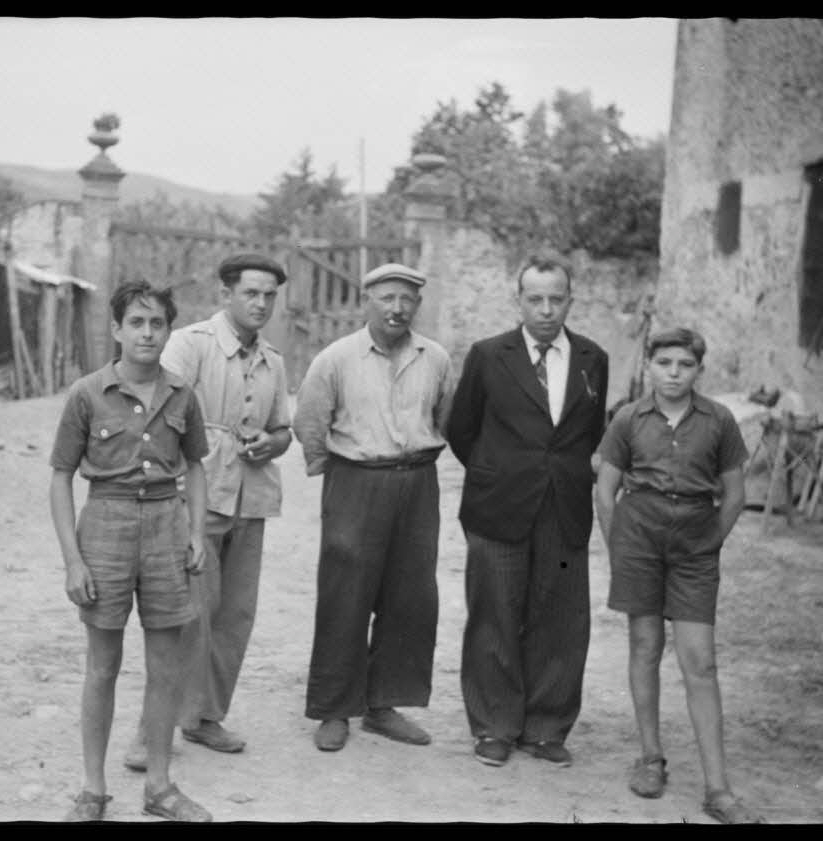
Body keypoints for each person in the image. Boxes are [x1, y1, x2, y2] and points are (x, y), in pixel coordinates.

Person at [49, 279, 213, 822]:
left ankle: (160, 787)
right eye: (136, 323)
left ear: (169, 330)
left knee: (166, 665)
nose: (147, 333)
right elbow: (60, 478)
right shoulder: (87, 393)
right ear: (116, 329)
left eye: (157, 323)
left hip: (167, 527)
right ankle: (93, 790)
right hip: (106, 525)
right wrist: (74, 559)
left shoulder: (182, 394)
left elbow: (194, 465)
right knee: (103, 665)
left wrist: (194, 532)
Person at [122, 253, 293, 767]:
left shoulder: (274, 361)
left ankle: (203, 718)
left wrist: (271, 441)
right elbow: (157, 413)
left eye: (269, 296)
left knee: (234, 616)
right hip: (196, 496)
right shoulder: (191, 345)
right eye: (251, 293)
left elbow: (284, 429)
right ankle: (151, 731)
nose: (260, 303)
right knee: (186, 615)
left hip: (252, 498)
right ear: (226, 295)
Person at [445, 249, 609, 769]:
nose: (545, 310)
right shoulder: (488, 355)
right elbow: (461, 429)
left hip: (564, 506)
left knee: (560, 618)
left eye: (555, 299)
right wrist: (501, 473)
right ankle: (494, 725)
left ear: (570, 302)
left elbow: (589, 433)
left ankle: (545, 727)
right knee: (494, 613)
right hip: (499, 506)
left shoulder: (593, 359)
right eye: (535, 299)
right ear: (518, 300)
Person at [594, 327, 763, 824]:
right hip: (639, 539)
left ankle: (718, 788)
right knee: (644, 645)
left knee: (700, 662)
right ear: (650, 365)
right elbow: (605, 491)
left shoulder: (719, 420)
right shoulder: (628, 418)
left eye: (684, 365)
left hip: (694, 544)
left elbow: (733, 493)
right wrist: (618, 546)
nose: (673, 373)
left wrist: (711, 541)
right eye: (664, 363)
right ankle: (650, 758)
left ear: (698, 370)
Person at [293, 262, 453, 752]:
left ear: (417, 306)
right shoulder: (335, 358)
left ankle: (384, 706)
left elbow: (445, 416)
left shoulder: (436, 358)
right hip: (356, 481)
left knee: (409, 596)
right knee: (346, 592)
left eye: (406, 299)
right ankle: (335, 708)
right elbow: (310, 423)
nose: (397, 308)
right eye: (386, 298)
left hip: (416, 483)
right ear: (366, 301)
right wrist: (337, 473)